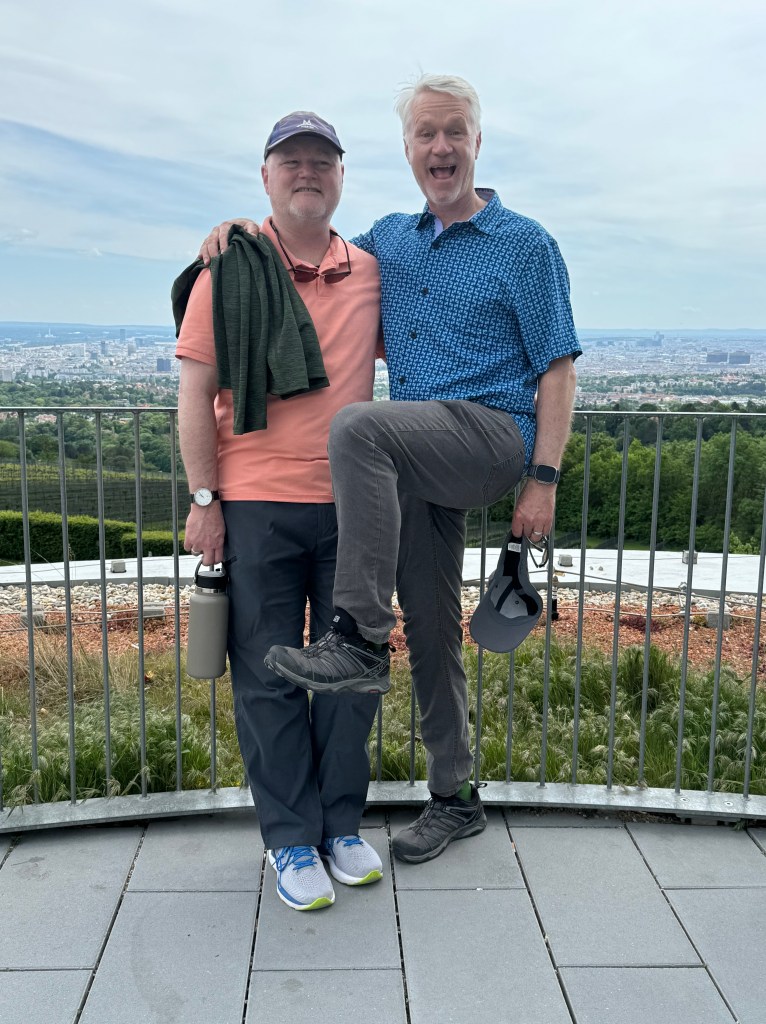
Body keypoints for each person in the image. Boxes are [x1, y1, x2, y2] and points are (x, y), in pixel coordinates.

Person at [198, 74, 581, 865]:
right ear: (407, 150)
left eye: (454, 132)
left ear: (478, 142)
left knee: (357, 425)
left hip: (487, 437)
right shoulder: (390, 243)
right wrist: (240, 231)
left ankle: (357, 637)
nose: (440, 147)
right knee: (434, 632)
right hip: (413, 460)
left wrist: (543, 479)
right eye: (424, 135)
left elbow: (558, 367)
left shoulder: (526, 244)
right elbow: (307, 236)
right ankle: (456, 796)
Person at [176, 111, 384, 911]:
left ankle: (340, 825)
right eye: (290, 160)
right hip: (256, 500)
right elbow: (195, 392)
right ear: (265, 177)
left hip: (355, 506)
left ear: (341, 177)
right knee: (266, 676)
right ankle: (291, 838)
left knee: (354, 672)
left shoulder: (370, 272)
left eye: (321, 161)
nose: (307, 172)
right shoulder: (228, 270)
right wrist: (205, 500)